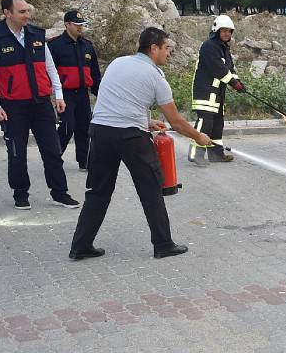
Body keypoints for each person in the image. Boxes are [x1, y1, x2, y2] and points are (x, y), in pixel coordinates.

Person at [69, 27, 212, 260]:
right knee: (151, 190)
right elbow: (175, 121)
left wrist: (146, 120)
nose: (169, 53)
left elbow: (119, 99)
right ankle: (163, 244)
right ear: (153, 48)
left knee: (98, 191)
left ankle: (80, 246)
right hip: (130, 137)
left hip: (100, 132)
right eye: (167, 48)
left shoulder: (118, 63)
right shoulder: (155, 77)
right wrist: (199, 137)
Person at [0, 0, 80, 210]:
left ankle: (60, 193)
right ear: (7, 13)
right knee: (17, 153)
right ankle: (20, 194)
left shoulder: (36, 35)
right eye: (22, 12)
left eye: (27, 10)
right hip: (12, 106)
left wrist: (58, 96)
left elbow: (50, 67)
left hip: (41, 103)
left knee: (52, 151)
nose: (27, 15)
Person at [188, 14, 245, 166]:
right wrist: (234, 83)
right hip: (205, 93)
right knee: (205, 123)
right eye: (223, 30)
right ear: (216, 30)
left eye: (229, 31)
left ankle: (216, 154)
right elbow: (218, 69)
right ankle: (196, 154)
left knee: (217, 124)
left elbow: (230, 68)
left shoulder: (224, 49)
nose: (227, 33)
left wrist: (238, 81)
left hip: (217, 94)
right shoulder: (209, 46)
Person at [48, 10, 101, 172]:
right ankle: (53, 160)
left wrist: (100, 94)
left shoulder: (87, 46)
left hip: (83, 94)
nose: (80, 28)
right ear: (67, 24)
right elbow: (48, 72)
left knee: (84, 128)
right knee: (66, 127)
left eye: (81, 25)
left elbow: (95, 75)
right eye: (77, 25)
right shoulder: (54, 45)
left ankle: (83, 161)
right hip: (65, 94)